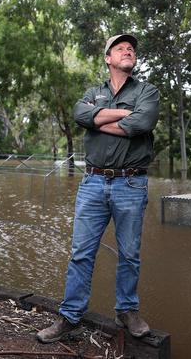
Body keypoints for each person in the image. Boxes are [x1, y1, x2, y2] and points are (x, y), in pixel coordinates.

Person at [36, 34, 160, 343]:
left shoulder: (147, 91)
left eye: (131, 48)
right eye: (120, 48)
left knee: (129, 254)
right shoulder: (93, 92)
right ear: (108, 58)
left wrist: (98, 119)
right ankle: (70, 317)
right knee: (81, 252)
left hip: (131, 182)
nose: (127, 50)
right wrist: (121, 114)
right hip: (92, 182)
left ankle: (126, 311)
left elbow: (142, 124)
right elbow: (81, 115)